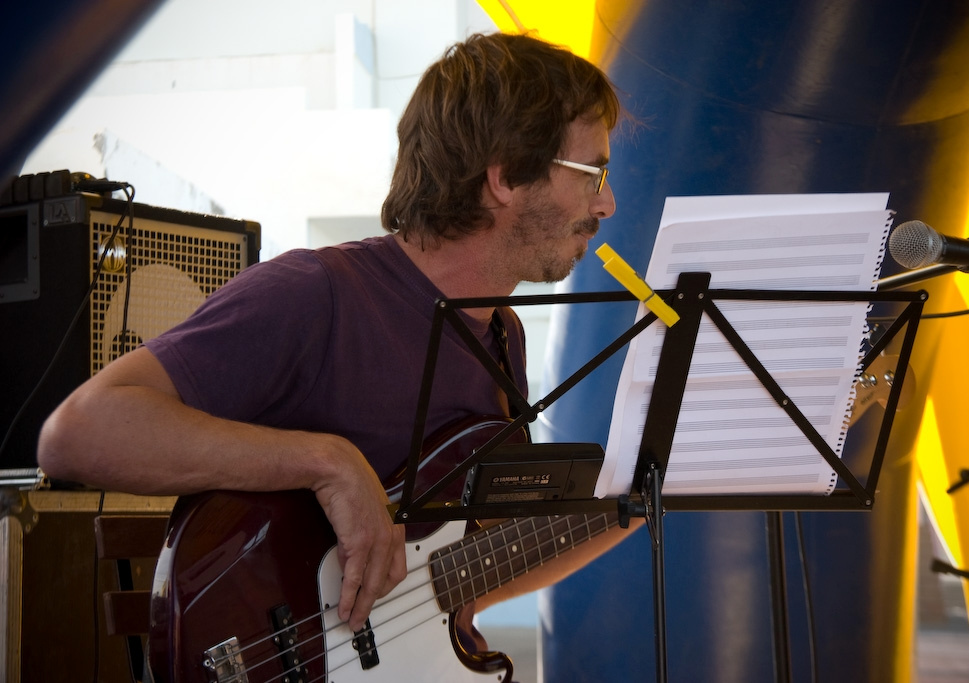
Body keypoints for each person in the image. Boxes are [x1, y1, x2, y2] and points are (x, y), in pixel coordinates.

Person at [37, 31, 635, 642]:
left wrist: (642, 497)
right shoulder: (316, 293)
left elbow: (444, 581)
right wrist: (327, 463)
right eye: (593, 173)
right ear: (505, 177)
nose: (607, 203)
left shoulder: (502, 334)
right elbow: (76, 434)